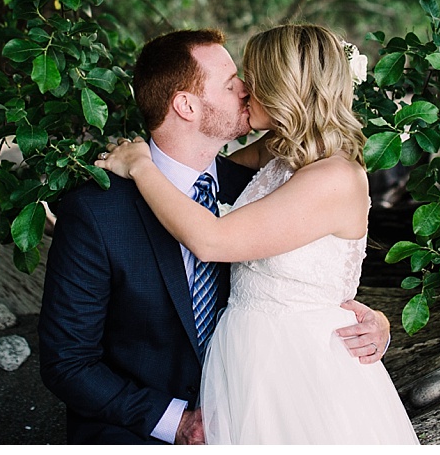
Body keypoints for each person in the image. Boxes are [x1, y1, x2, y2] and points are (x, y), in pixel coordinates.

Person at [38, 28, 392, 444]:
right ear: (186, 105)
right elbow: (67, 362)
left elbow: (291, 266)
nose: (245, 88)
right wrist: (175, 423)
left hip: (273, 396)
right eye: (231, 82)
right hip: (141, 430)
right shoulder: (98, 212)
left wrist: (367, 320)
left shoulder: (257, 183)